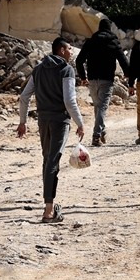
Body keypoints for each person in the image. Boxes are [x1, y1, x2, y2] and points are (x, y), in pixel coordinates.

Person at [17, 37, 85, 223]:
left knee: (47, 160)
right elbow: (69, 100)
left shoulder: (38, 69)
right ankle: (48, 210)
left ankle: (48, 203)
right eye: (70, 48)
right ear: (62, 50)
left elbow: (24, 96)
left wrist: (23, 122)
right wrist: (80, 122)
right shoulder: (66, 70)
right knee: (53, 162)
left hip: (43, 120)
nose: (72, 52)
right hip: (60, 121)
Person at [74, 17, 131, 148]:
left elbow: (79, 61)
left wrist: (83, 77)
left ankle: (102, 130)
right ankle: (96, 136)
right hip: (107, 79)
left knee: (98, 107)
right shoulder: (113, 42)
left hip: (92, 80)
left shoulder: (91, 42)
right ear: (110, 29)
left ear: (99, 28)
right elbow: (123, 60)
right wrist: (128, 75)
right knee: (101, 108)